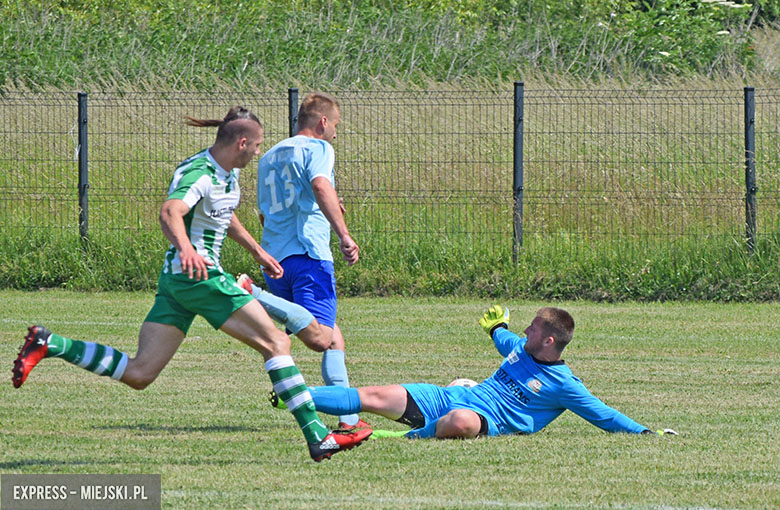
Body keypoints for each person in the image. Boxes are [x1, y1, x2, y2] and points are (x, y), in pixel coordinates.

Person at [11, 106, 371, 462]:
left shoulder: (225, 173)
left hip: (178, 283)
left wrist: (257, 251)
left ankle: (49, 342)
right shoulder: (199, 171)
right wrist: (187, 250)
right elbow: (171, 211)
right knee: (276, 342)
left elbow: (224, 215)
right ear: (242, 142)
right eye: (258, 145)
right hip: (201, 276)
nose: (261, 151)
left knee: (140, 373)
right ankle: (318, 436)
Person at [294, 305, 678, 439]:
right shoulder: (520, 348)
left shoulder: (564, 386)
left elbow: (603, 414)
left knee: (460, 422)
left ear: (549, 342)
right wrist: (495, 328)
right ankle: (295, 395)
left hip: (478, 419)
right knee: (375, 395)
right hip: (451, 396)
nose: (524, 331)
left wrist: (647, 431)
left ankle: (409, 437)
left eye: (533, 329)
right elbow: (504, 338)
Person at [246, 91, 367, 431]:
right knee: (320, 338)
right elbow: (319, 185)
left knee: (333, 335)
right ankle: (252, 295)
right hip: (309, 253)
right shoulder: (319, 149)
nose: (335, 134)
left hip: (276, 258)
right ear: (323, 122)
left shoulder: (269, 155)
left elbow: (266, 212)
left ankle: (348, 419)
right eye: (336, 126)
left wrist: (323, 206)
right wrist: (343, 233)